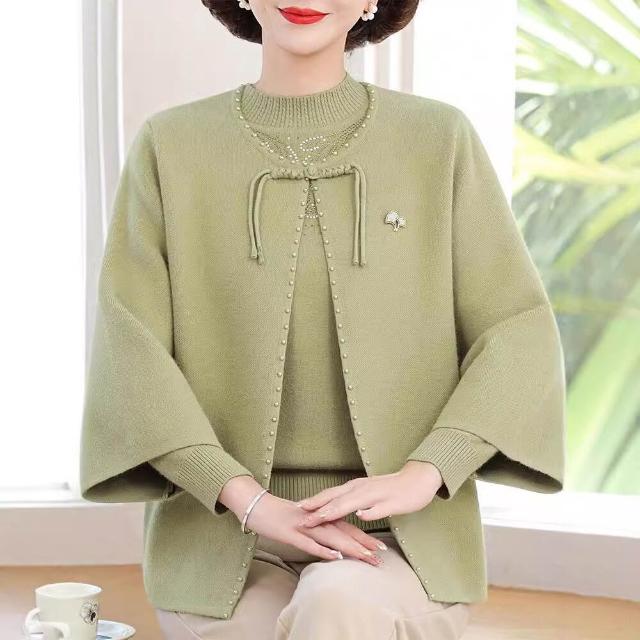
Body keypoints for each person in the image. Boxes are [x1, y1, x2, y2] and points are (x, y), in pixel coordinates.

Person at [79, 0, 567, 638]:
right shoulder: (169, 146)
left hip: (401, 544)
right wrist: (248, 499)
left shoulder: (438, 139)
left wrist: (427, 471)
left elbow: (517, 330)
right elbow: (130, 345)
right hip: (221, 540)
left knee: (337, 603)